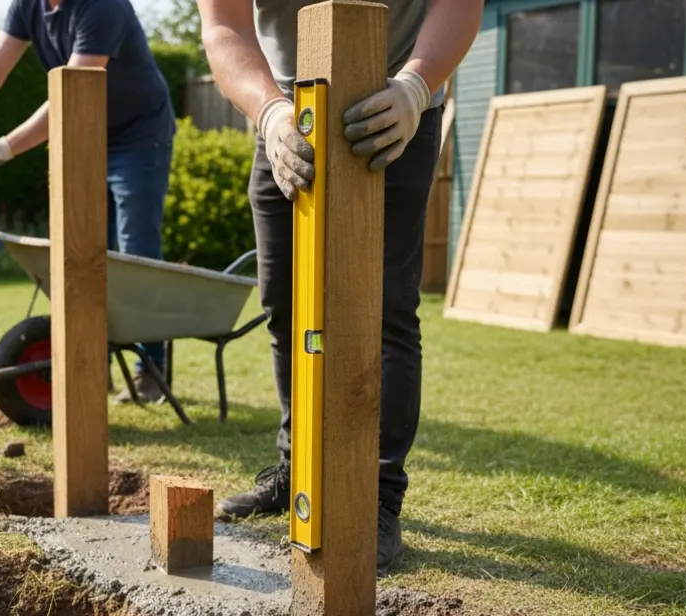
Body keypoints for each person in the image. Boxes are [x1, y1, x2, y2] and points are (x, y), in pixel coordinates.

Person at [199, 0, 483, 569]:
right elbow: (224, 26)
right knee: (285, 301)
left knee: (385, 310)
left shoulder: (405, 96)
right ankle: (296, 468)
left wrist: (415, 88)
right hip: (288, 112)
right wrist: (269, 113)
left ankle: (377, 500)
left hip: (392, 106)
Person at [0, 0, 178, 405]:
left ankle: (151, 368)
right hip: (83, 131)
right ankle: (92, 362)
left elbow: (73, 86)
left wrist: (5, 147)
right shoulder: (29, 5)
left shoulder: (102, 6)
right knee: (86, 248)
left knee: (135, 251)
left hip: (138, 136)